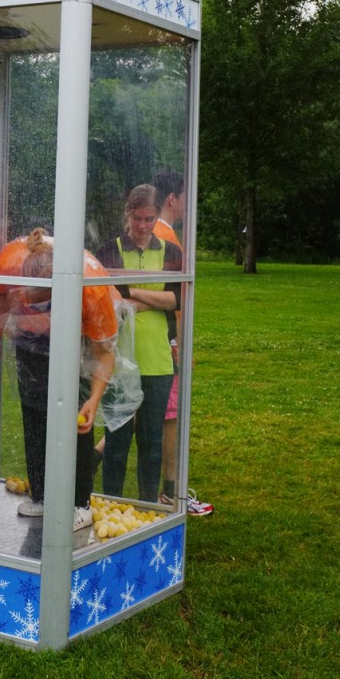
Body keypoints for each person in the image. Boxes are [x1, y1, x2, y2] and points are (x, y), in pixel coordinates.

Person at [0, 230, 117, 531]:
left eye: (46, 301)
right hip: (28, 342)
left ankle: (80, 503)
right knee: (33, 414)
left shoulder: (91, 289)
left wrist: (93, 400)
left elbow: (104, 352)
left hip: (77, 342)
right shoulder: (9, 263)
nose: (35, 305)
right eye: (30, 298)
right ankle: (42, 495)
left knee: (75, 422)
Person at [96, 184, 182, 503]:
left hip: (158, 359)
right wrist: (153, 298)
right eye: (137, 218)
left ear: (157, 216)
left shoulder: (171, 252)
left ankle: (147, 509)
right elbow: (108, 298)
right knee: (116, 442)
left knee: (151, 443)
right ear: (127, 214)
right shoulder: (108, 250)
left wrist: (132, 293)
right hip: (118, 361)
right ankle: (110, 506)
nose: (142, 226)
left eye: (149, 219)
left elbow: (175, 299)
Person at [152, 168, 213, 517]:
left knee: (148, 406)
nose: (190, 204)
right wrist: (180, 345)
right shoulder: (167, 240)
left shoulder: (154, 234)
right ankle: (171, 493)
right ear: (173, 199)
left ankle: (96, 456)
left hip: (153, 338)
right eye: (186, 196)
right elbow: (174, 300)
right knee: (170, 414)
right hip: (165, 341)